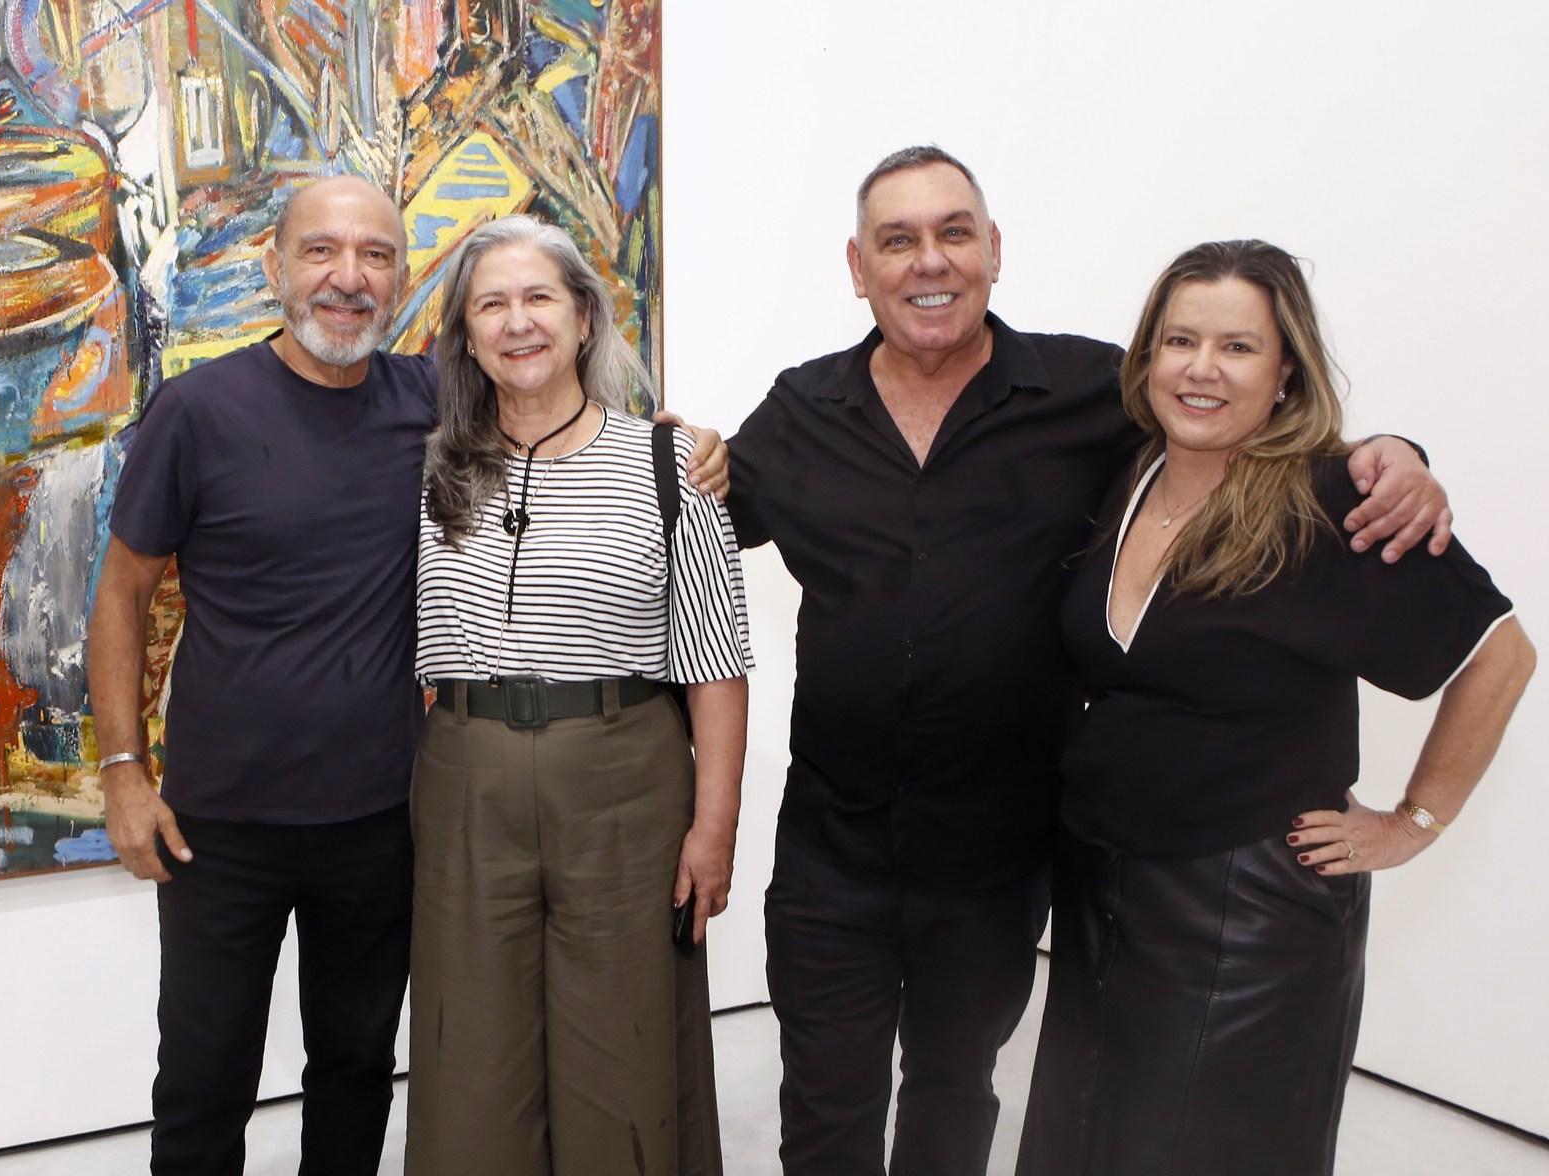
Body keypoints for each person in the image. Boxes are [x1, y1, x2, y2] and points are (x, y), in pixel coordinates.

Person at [722, 147, 1454, 1176]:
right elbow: (706, 508)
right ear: (858, 266)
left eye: (954, 232)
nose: (929, 261)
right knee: (823, 1103)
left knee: (954, 1090)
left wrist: (1395, 450)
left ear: (993, 249)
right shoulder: (801, 410)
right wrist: (667, 451)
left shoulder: (1091, 393)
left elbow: (1232, 415)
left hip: (998, 855)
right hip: (831, 853)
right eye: (898, 239)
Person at [86, 180, 726, 1174]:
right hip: (221, 822)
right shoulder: (197, 410)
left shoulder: (432, 410)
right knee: (204, 1082)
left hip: (383, 818)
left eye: (376, 256)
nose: (348, 278)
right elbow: (122, 593)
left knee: (356, 1071)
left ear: (401, 280)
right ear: (275, 267)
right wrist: (124, 772)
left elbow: (559, 415)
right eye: (321, 252)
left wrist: (695, 450)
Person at [1015, 239, 1534, 1175]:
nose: (1201, 369)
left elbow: (1501, 654)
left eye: (1238, 347)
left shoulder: (1334, 500)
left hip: (1248, 912)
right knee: (1082, 1145)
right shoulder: (1130, 470)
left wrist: (1414, 821)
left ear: (1286, 369)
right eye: (1180, 340)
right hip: (1101, 889)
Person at [404, 214, 754, 1176]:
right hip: (466, 782)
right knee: (470, 1058)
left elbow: (716, 661)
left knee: (624, 1050)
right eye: (492, 305)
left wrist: (714, 828)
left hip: (623, 782)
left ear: (586, 317)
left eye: (539, 298)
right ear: (466, 335)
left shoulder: (671, 466)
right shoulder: (432, 468)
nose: (518, 322)